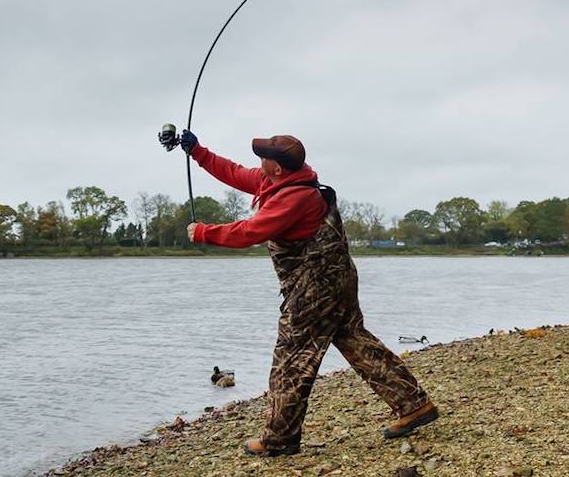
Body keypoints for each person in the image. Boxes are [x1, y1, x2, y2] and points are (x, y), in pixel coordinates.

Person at [179, 129, 438, 457]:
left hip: (316, 287)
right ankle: (414, 404)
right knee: (354, 340)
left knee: (291, 358)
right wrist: (198, 152)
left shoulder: (295, 197)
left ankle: (279, 438)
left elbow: (251, 231)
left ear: (277, 168)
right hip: (336, 279)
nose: (258, 162)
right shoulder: (279, 180)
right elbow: (234, 172)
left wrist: (204, 232)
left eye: (264, 158)